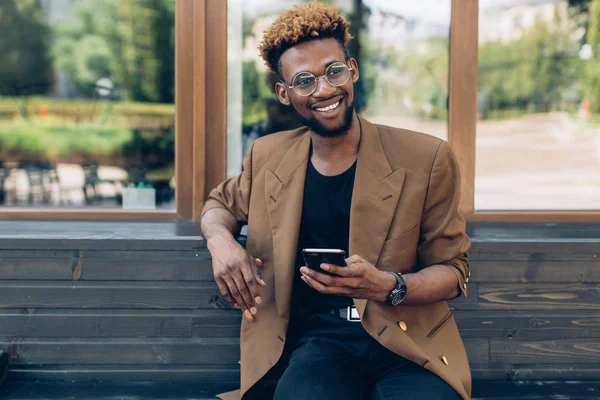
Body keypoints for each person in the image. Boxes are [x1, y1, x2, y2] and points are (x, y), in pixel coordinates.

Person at [200, 2, 471, 399]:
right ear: (284, 93)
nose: (324, 89)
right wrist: (221, 243)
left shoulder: (426, 158)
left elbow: (453, 271)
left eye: (333, 71)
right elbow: (218, 205)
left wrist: (387, 286)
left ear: (353, 70)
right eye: (304, 80)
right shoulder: (268, 156)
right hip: (318, 346)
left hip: (409, 343)